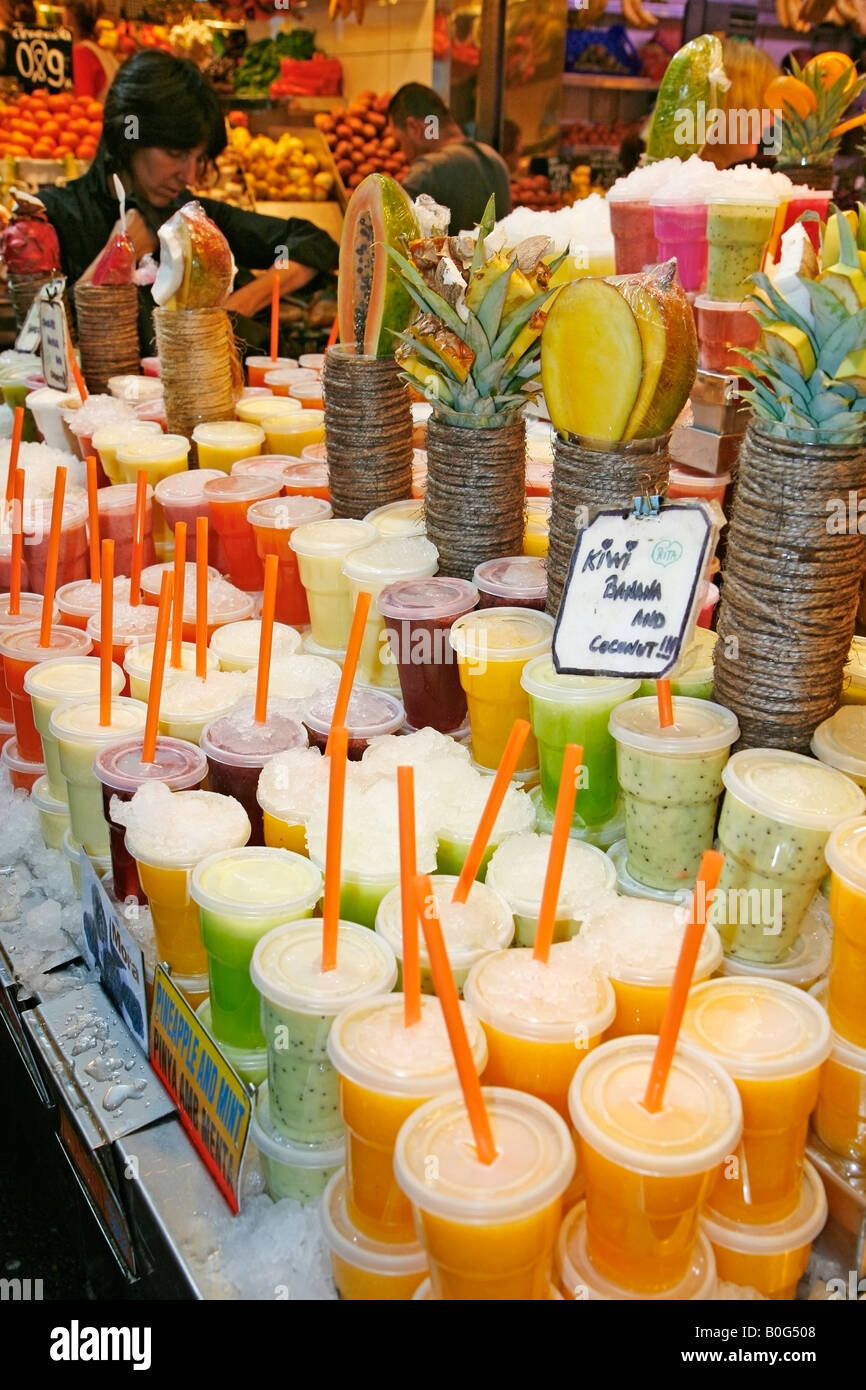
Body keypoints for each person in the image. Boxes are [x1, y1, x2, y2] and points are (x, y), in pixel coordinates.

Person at [39, 50, 339, 359]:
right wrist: (118, 256)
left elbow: (309, 241)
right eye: (175, 153)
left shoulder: (191, 219)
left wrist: (235, 306)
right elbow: (40, 343)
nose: (190, 174)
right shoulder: (52, 217)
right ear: (129, 136)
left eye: (198, 158)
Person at [387, 83, 512, 234]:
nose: (402, 153)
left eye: (400, 142)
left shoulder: (427, 170)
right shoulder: (495, 159)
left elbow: (395, 236)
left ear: (415, 128)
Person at [67, 1, 119, 104]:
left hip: (101, 118)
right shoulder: (104, 52)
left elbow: (83, 104)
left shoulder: (82, 53)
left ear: (70, 16)